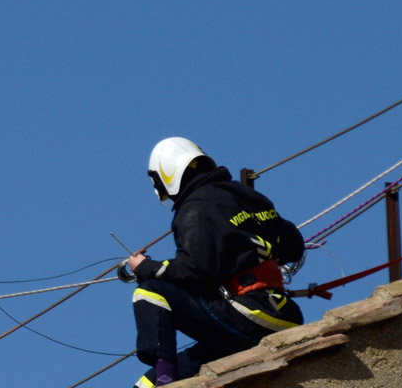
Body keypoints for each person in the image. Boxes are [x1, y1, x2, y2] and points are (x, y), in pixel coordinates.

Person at [128, 137, 305, 387]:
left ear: (166, 176)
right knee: (147, 385)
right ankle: (163, 380)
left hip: (250, 316)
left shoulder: (195, 207)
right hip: (282, 314)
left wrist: (145, 267)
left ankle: (169, 381)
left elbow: (194, 271)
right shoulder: (250, 197)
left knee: (150, 291)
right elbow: (294, 246)